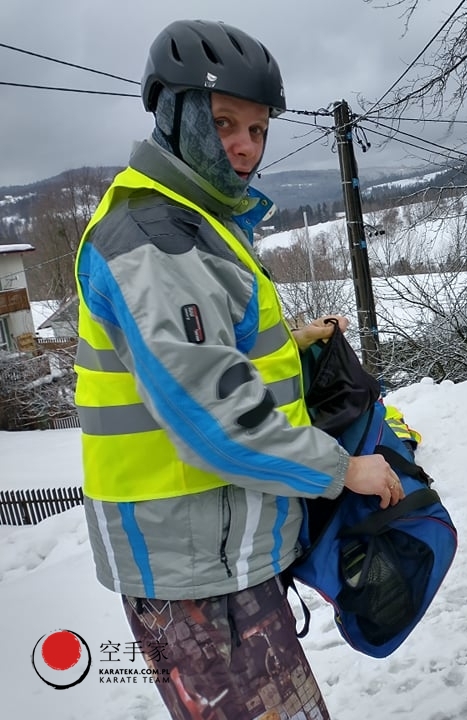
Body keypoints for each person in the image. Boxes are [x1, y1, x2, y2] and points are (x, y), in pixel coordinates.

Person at [73, 20, 403, 720]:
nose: (245, 148)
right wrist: (344, 468)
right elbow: (212, 414)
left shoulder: (193, 221)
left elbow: (201, 353)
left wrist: (290, 343)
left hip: (211, 553)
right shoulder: (155, 237)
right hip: (193, 569)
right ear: (173, 112)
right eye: (224, 122)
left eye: (257, 129)